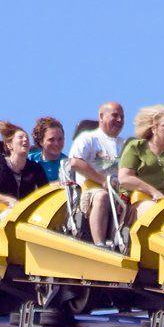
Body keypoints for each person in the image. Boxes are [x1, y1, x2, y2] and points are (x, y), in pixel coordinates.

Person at [117, 106, 164, 220]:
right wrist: (154, 192)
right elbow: (125, 178)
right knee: (154, 211)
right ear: (154, 128)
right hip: (142, 202)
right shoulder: (136, 147)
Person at [67, 101, 125, 243]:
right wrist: (102, 181)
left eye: (122, 117)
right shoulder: (88, 138)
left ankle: (120, 242)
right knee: (102, 196)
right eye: (115, 116)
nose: (119, 120)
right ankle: (99, 244)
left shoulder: (124, 145)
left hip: (119, 192)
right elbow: (75, 163)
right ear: (101, 117)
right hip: (91, 190)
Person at [0, 123, 46, 211]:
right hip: (0, 212)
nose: (25, 140)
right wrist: (8, 200)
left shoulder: (36, 168)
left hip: (26, 214)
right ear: (9, 145)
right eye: (20, 137)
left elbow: (45, 193)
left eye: (27, 138)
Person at [28, 117, 66, 183]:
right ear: (41, 141)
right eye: (51, 140)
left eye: (60, 139)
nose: (56, 144)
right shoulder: (29, 161)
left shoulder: (68, 164)